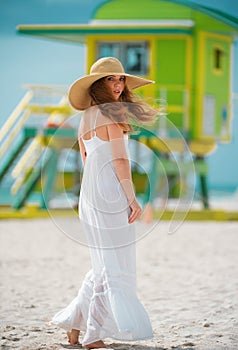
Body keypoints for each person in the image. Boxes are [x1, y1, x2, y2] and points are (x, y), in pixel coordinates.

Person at [50, 57, 158, 349]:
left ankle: (74, 323)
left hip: (91, 193)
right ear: (98, 84)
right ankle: (93, 334)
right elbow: (121, 160)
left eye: (120, 79)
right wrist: (131, 197)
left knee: (103, 264)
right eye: (111, 79)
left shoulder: (85, 117)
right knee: (112, 265)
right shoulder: (111, 115)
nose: (118, 85)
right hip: (109, 192)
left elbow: (87, 161)